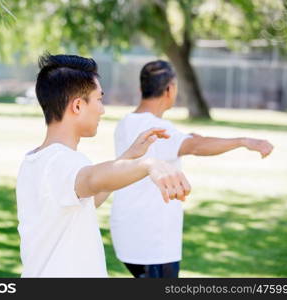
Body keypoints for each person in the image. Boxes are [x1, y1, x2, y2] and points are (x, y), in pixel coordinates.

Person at [16, 54, 191, 277]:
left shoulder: (34, 161)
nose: (102, 109)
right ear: (78, 106)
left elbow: (90, 197)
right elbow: (91, 179)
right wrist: (149, 164)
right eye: (99, 99)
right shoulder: (64, 162)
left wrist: (127, 157)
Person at [111, 60, 274, 278]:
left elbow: (183, 142)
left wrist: (190, 138)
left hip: (126, 233)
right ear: (170, 89)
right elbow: (196, 146)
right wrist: (242, 141)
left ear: (142, 89)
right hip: (153, 242)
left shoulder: (125, 123)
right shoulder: (160, 130)